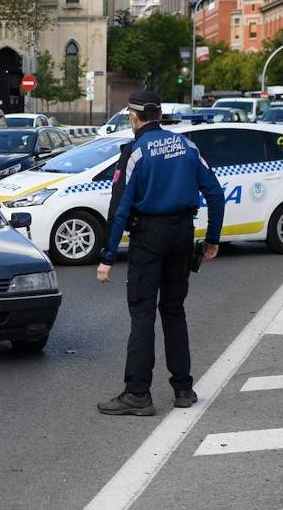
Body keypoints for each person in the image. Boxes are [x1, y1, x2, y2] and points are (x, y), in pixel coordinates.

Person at [96, 90, 225, 417]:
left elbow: (120, 208)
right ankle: (183, 389)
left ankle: (138, 394)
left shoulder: (135, 152)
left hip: (149, 237)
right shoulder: (187, 146)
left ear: (134, 117)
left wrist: (107, 256)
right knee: (174, 311)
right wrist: (212, 239)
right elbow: (215, 193)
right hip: (183, 234)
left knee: (142, 314)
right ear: (160, 114)